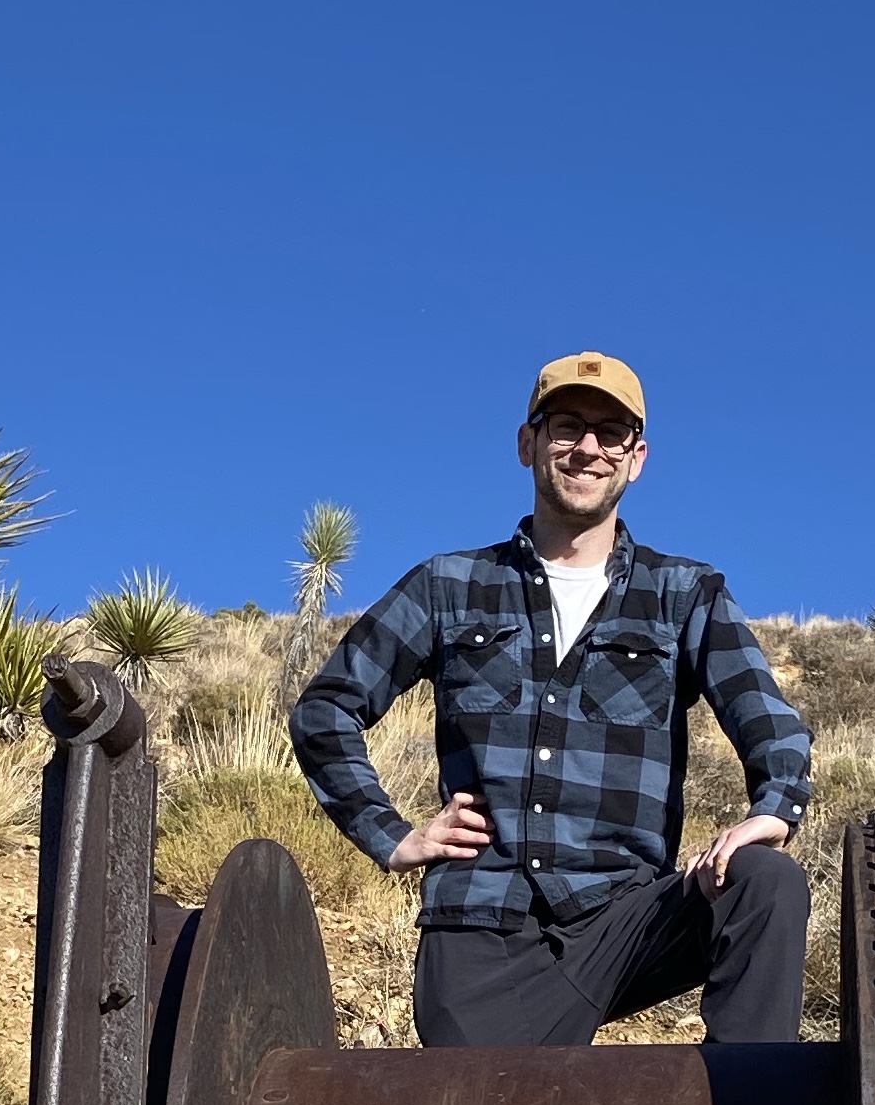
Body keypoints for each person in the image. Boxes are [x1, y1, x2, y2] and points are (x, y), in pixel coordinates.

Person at [290, 350, 813, 1047]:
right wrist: (392, 836)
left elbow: (771, 724)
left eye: (611, 433)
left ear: (637, 457)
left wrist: (771, 813)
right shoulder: (448, 586)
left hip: (626, 919)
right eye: (567, 426)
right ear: (527, 442)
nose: (588, 448)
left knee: (765, 882)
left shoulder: (685, 594)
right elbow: (326, 708)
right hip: (482, 927)